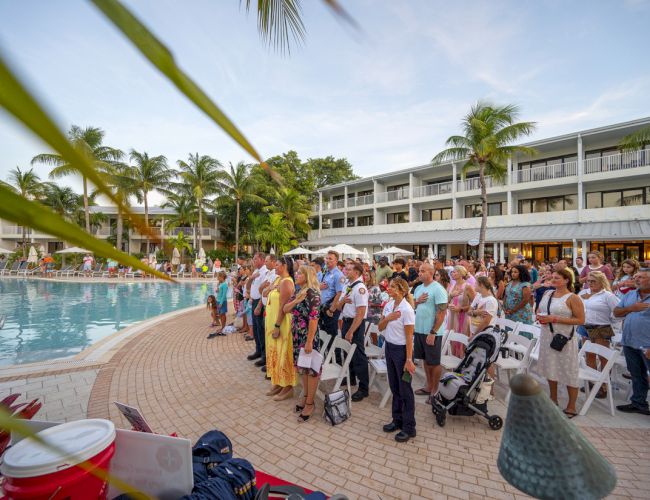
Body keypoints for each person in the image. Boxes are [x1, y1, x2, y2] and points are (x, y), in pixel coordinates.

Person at [536, 269, 585, 418]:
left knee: (568, 370)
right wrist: (541, 317)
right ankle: (553, 399)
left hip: (564, 338)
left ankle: (571, 405)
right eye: (552, 278)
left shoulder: (573, 298)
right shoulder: (547, 293)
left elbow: (580, 320)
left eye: (557, 278)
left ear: (566, 280)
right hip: (547, 335)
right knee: (551, 367)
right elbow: (540, 309)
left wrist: (555, 319)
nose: (553, 280)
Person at [378, 277, 417, 443]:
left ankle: (409, 427)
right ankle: (397, 419)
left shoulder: (407, 310)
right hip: (390, 347)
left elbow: (409, 337)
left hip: (402, 351)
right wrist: (388, 318)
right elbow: (380, 327)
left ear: (401, 290)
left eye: (393, 287)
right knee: (394, 386)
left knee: (405, 389)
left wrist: (409, 359)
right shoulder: (388, 305)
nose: (389, 289)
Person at [283, 265, 321, 422]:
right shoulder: (299, 292)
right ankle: (305, 397)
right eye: (297, 272)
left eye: (300, 273)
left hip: (308, 338)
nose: (296, 275)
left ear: (307, 276)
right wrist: (297, 300)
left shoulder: (313, 294)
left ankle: (311, 403)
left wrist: (309, 341)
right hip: (298, 336)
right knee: (302, 369)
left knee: (311, 371)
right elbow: (285, 309)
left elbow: (314, 319)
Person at [613, 267, 650, 415]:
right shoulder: (630, 294)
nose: (636, 279)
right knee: (637, 374)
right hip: (629, 341)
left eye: (641, 277)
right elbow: (616, 312)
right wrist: (632, 308)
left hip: (647, 344)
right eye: (636, 277)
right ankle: (639, 403)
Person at [578, 271, 619, 399]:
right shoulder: (585, 294)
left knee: (603, 357)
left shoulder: (608, 295)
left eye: (593, 281)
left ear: (601, 282)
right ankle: (593, 383)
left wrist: (610, 322)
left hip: (601, 327)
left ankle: (604, 386)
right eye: (588, 281)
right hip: (585, 326)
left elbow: (617, 312)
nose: (590, 283)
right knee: (589, 355)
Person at [412, 263, 447, 401]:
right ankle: (428, 385)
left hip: (432, 332)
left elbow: (442, 313)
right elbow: (412, 305)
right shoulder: (419, 288)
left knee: (434, 362)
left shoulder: (438, 289)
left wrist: (433, 332)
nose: (419, 273)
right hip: (419, 329)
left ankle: (435, 389)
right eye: (419, 271)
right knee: (425, 360)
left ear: (431, 273)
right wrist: (417, 302)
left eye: (422, 271)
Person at [265, 256, 296, 401]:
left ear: (284, 266)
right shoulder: (278, 280)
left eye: (277, 265)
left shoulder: (287, 283)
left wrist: (277, 326)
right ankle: (278, 382)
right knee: (276, 353)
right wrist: (271, 287)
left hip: (282, 323)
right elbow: (264, 293)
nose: (274, 267)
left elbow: (284, 308)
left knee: (284, 354)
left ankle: (288, 387)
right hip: (272, 322)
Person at [338, 261, 370, 402]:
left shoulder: (360, 288)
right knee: (347, 352)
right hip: (346, 321)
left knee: (358, 355)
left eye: (349, 269)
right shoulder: (347, 286)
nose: (346, 271)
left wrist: (351, 331)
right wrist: (342, 302)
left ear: (356, 272)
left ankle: (363, 388)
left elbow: (361, 313)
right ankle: (351, 379)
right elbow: (339, 306)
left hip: (355, 324)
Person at [318, 251, 345, 354]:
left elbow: (339, 294)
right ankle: (325, 359)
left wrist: (331, 309)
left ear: (336, 261)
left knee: (331, 336)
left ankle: (336, 360)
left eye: (330, 259)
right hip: (322, 308)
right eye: (327, 258)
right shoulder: (325, 271)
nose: (327, 260)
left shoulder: (338, 275)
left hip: (330, 309)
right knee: (323, 335)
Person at [447, 265, 474, 356]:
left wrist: (461, 308)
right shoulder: (451, 285)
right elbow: (445, 301)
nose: (452, 273)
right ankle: (452, 359)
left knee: (461, 340)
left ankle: (461, 361)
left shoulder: (467, 287)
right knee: (451, 338)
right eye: (452, 272)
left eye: (455, 272)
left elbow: (475, 304)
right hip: (451, 316)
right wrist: (451, 296)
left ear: (461, 273)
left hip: (463, 317)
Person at [246, 252, 268, 367]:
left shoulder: (265, 272)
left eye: (255, 259)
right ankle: (258, 351)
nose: (253, 261)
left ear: (262, 259)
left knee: (261, 330)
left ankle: (264, 356)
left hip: (260, 302)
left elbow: (264, 291)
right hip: (253, 301)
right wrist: (251, 278)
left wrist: (259, 306)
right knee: (255, 329)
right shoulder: (255, 272)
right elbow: (248, 286)